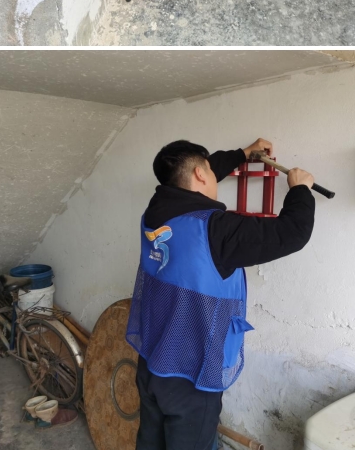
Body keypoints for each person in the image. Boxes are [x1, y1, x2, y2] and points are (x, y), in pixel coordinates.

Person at [126, 137, 315, 450]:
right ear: (200, 174)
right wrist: (300, 189)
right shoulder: (215, 229)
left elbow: (195, 171)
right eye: (210, 171)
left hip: (151, 362)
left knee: (150, 442)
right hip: (192, 377)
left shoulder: (155, 213)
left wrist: (243, 154)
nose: (215, 175)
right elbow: (292, 233)